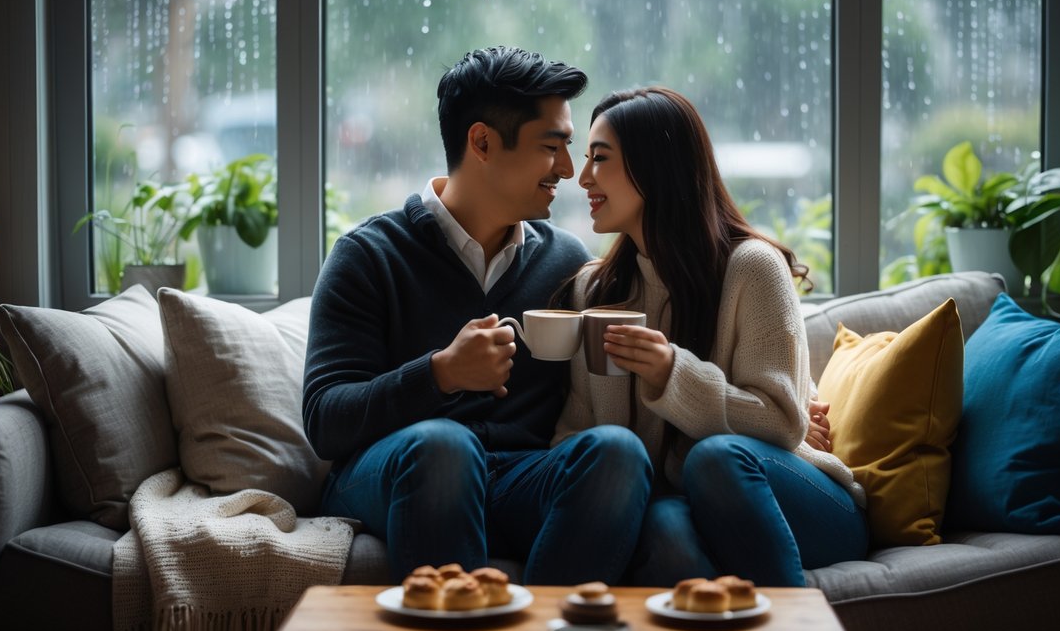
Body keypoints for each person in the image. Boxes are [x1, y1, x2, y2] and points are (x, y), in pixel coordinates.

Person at [303, 46, 652, 585]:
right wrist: (439, 373)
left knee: (618, 453)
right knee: (445, 446)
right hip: (401, 470)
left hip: (521, 479)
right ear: (483, 142)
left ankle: (552, 622)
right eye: (551, 147)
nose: (568, 169)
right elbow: (325, 420)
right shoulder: (368, 255)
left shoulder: (566, 262)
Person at [552, 86, 868, 586]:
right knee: (666, 533)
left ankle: (792, 619)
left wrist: (671, 374)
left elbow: (784, 423)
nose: (583, 176)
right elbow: (575, 432)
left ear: (656, 166)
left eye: (600, 158)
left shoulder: (752, 268)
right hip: (677, 501)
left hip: (799, 500)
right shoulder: (595, 290)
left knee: (714, 459)